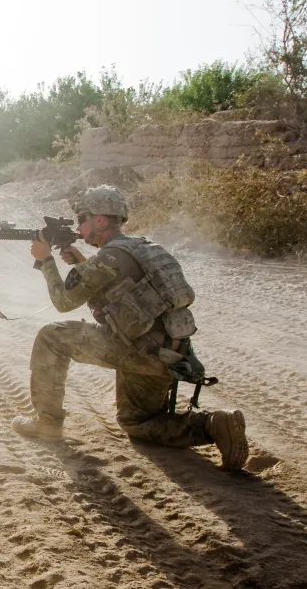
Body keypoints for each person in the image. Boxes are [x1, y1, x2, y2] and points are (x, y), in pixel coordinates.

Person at [13, 185, 249, 471]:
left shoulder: (109, 258)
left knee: (52, 336)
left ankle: (47, 422)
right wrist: (82, 262)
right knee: (137, 422)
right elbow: (121, 290)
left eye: (82, 218)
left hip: (135, 350)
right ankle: (213, 425)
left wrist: (45, 260)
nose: (78, 226)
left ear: (99, 220)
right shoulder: (145, 247)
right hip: (170, 355)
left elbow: (63, 301)